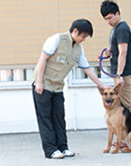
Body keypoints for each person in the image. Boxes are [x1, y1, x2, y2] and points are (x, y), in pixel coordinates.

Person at [31, 19, 107, 159]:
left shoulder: (78, 49)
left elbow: (88, 69)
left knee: (59, 118)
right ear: (75, 31)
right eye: (83, 36)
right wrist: (39, 83)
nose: (83, 40)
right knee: (46, 119)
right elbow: (42, 60)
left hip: (57, 87)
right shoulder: (56, 40)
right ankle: (51, 150)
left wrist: (102, 86)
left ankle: (63, 148)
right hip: (43, 85)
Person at [100, 0, 131, 116]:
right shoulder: (116, 28)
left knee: (127, 105)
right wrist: (110, 51)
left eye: (110, 18)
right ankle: (126, 132)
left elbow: (123, 53)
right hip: (120, 73)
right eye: (106, 19)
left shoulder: (122, 28)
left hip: (123, 73)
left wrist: (119, 74)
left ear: (117, 13)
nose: (108, 21)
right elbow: (119, 50)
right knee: (122, 105)